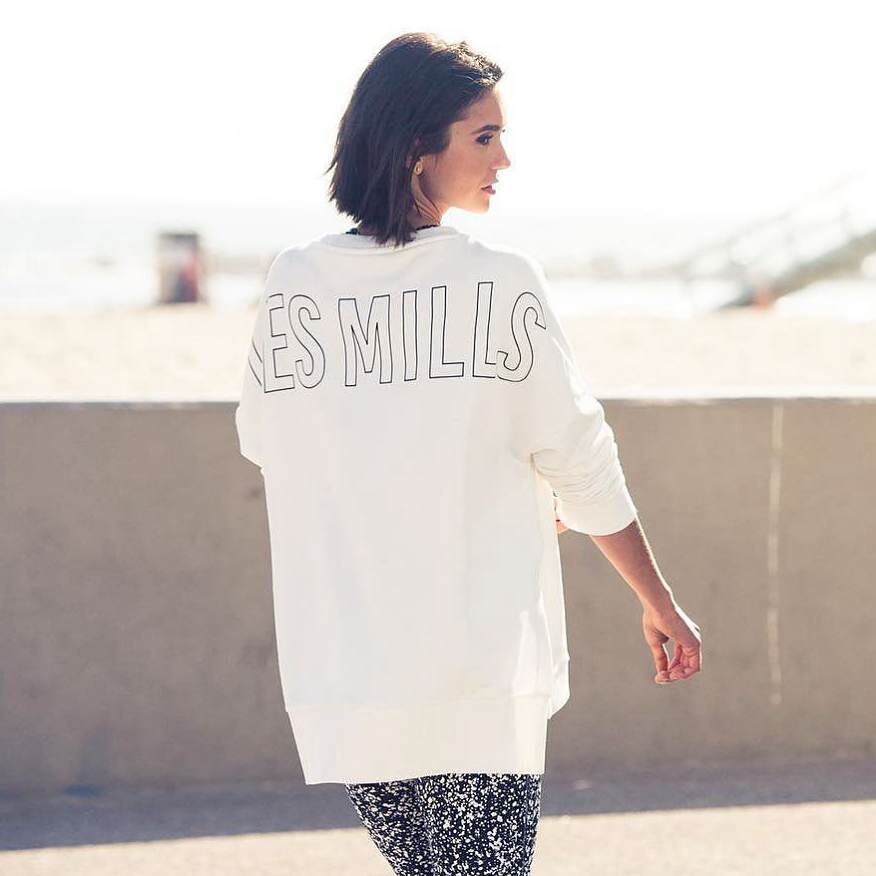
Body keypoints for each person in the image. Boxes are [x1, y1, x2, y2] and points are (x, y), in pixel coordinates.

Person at [234, 31, 702, 876]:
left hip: (349, 672)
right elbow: (578, 455)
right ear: (417, 147)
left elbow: (269, 442)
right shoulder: (499, 278)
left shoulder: (294, 281)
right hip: (475, 672)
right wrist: (658, 600)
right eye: (484, 137)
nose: (504, 160)